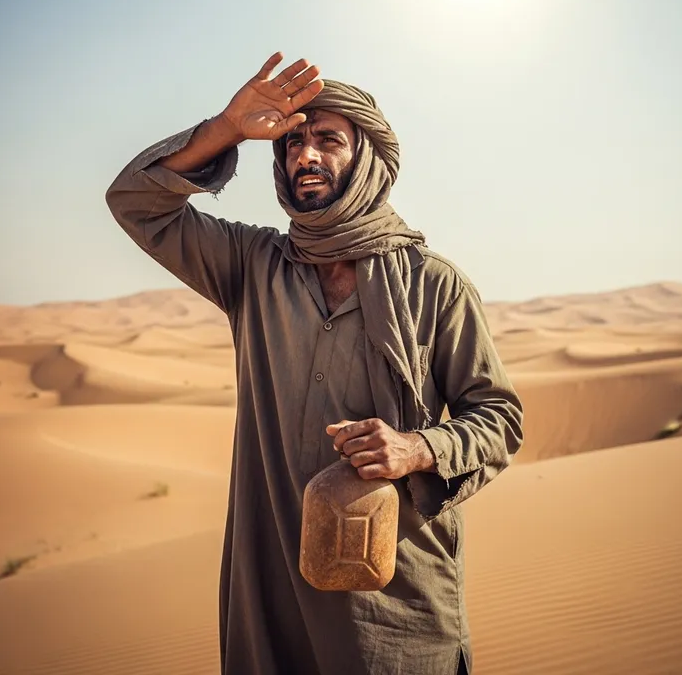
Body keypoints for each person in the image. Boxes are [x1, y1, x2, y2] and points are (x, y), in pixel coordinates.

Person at [106, 52, 523, 675]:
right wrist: (228, 127)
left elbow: (499, 419)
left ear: (367, 158)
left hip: (391, 603)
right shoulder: (250, 265)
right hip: (270, 597)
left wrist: (417, 448)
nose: (305, 156)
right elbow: (137, 202)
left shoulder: (434, 285)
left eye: (328, 140)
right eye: (292, 142)